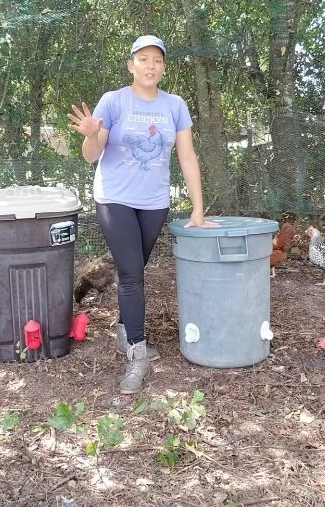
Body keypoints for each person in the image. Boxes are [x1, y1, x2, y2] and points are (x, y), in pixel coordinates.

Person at [68, 35, 219, 395]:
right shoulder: (114, 101)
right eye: (143, 59)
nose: (150, 66)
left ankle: (124, 331)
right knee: (133, 275)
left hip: (154, 202)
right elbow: (92, 155)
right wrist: (90, 135)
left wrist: (198, 209)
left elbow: (187, 157)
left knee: (134, 269)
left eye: (157, 60)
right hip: (115, 198)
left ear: (163, 67)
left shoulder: (175, 105)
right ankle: (136, 351)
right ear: (131, 65)